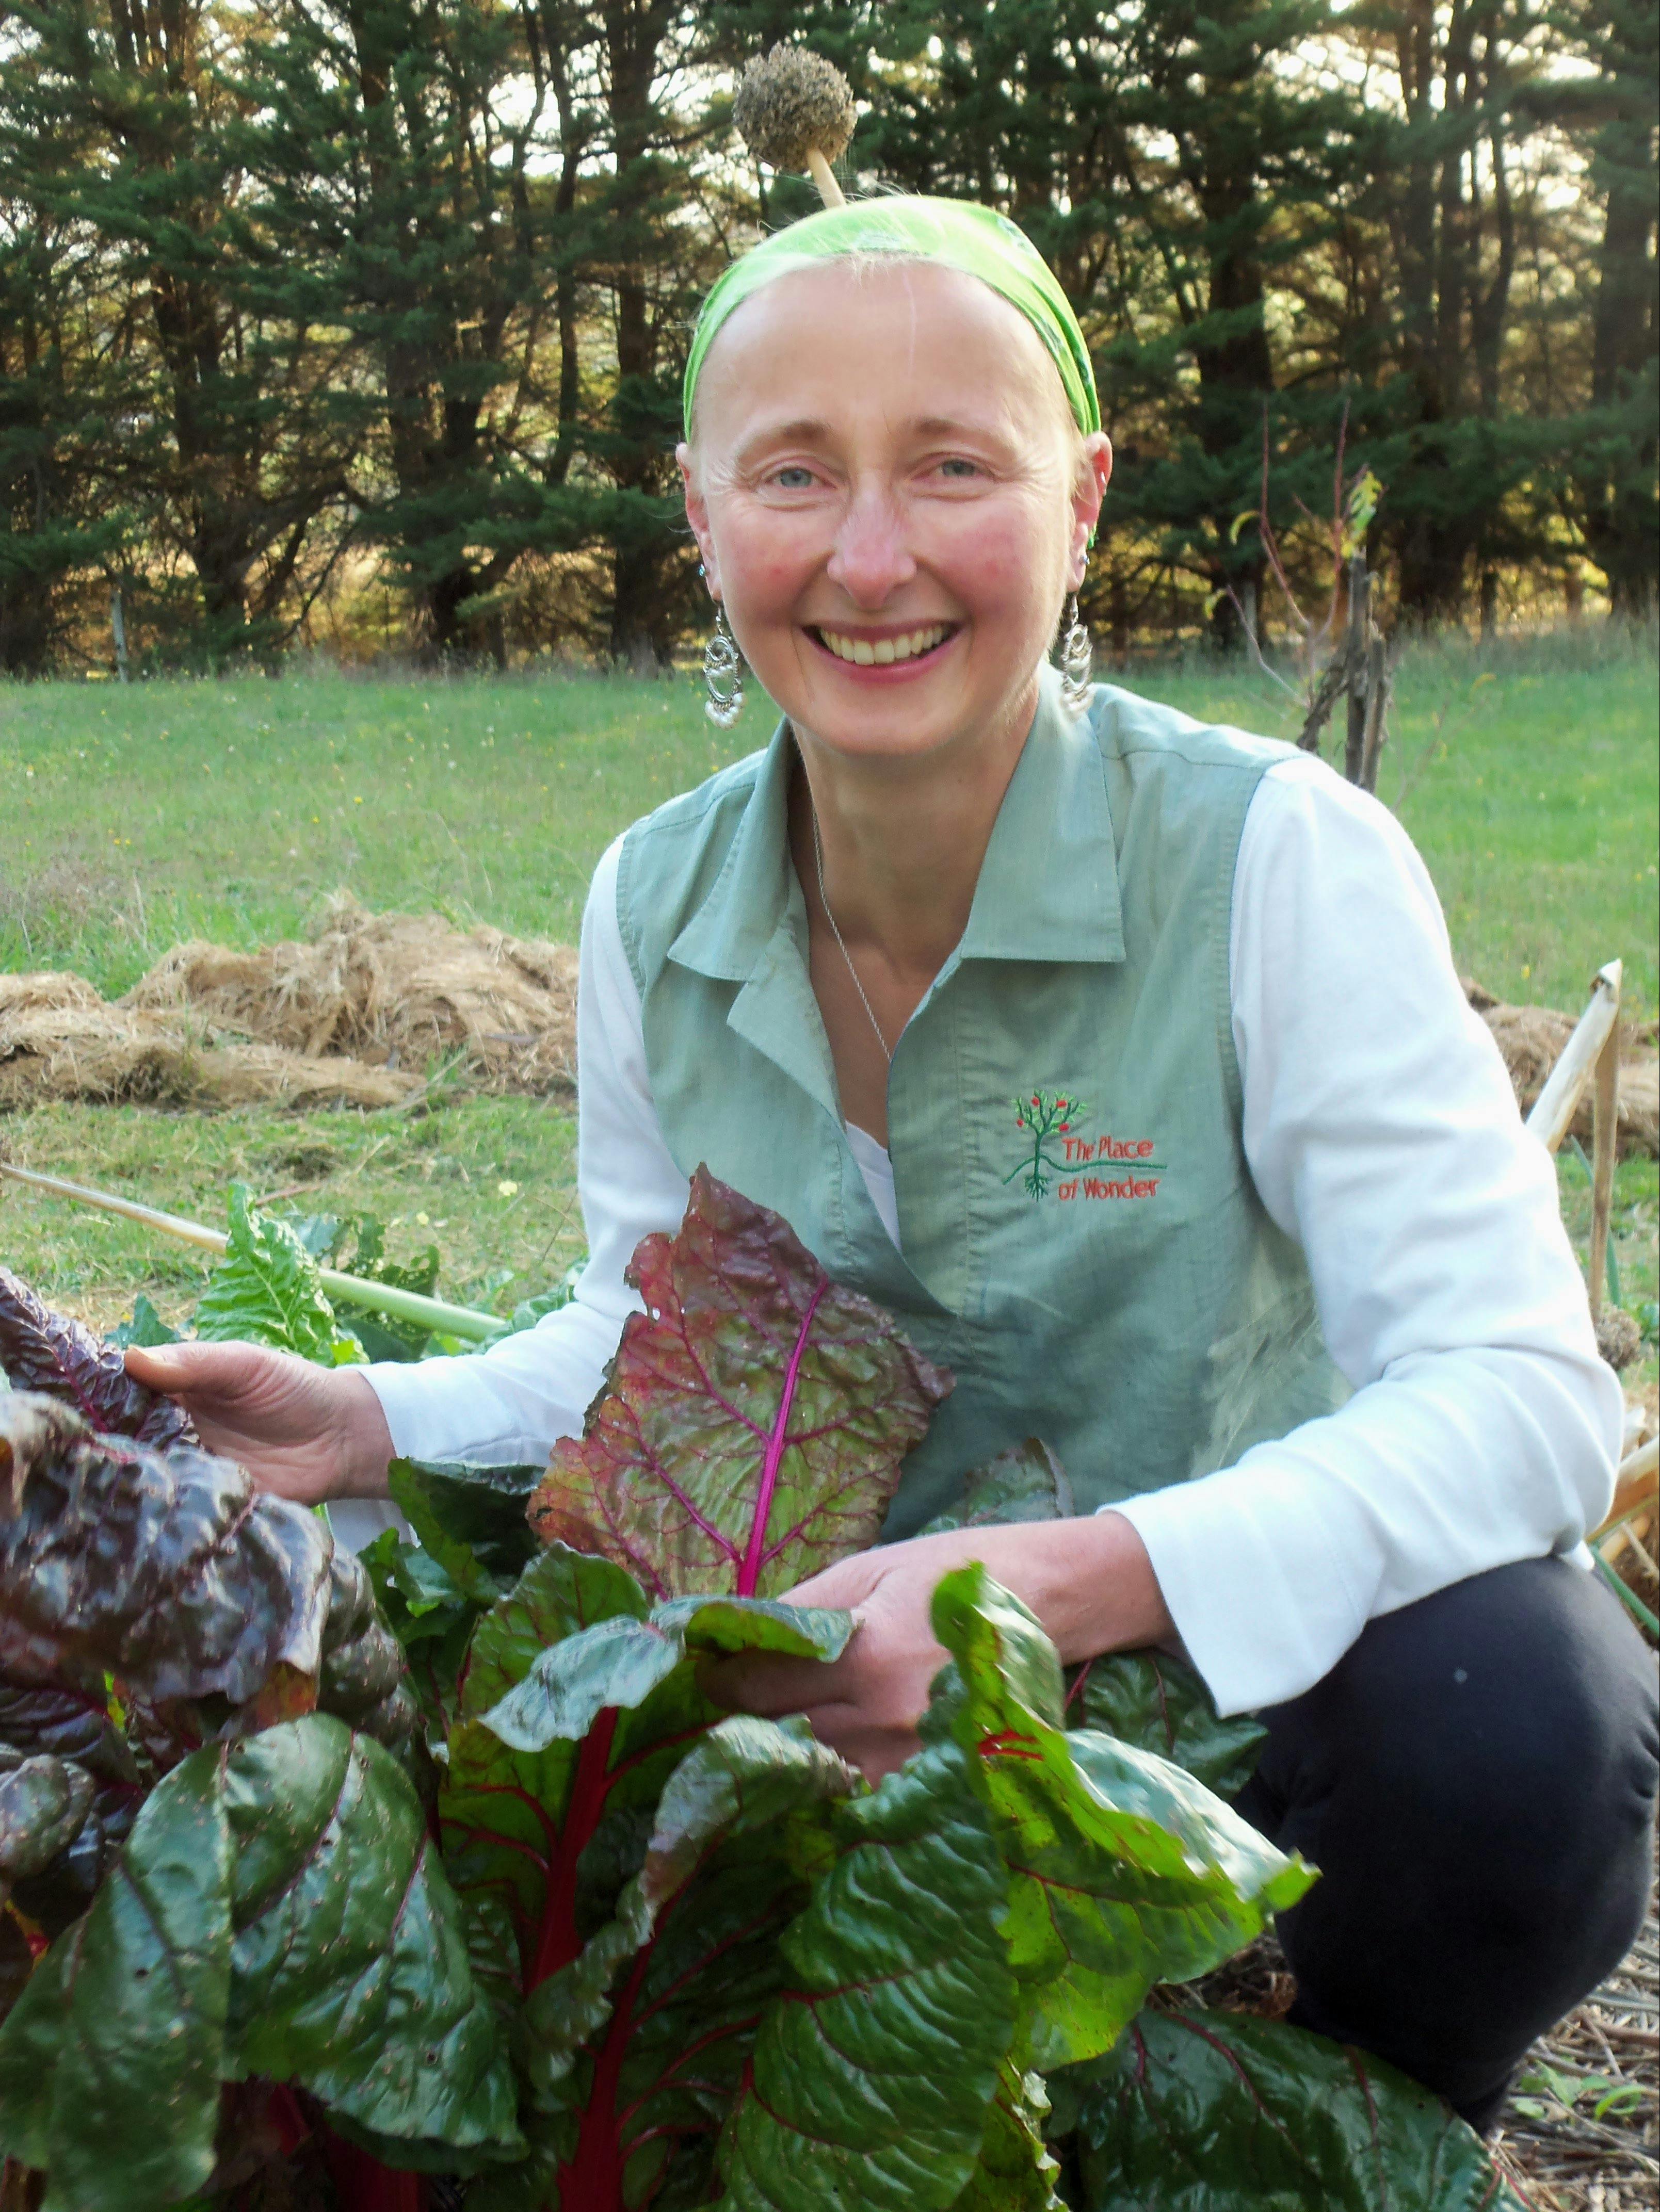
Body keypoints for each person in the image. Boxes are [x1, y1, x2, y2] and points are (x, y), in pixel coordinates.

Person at [127, 196, 1657, 2135]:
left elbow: (1521, 1398)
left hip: (1229, 1729)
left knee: (1523, 1718)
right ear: (699, 514)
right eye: (792, 473)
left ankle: (1338, 2123)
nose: (870, 557)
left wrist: (1076, 1583)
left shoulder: (1275, 860)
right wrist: (364, 1416)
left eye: (952, 466)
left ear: (1081, 498)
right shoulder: (650, 902)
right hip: (826, 1712)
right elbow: (645, 1332)